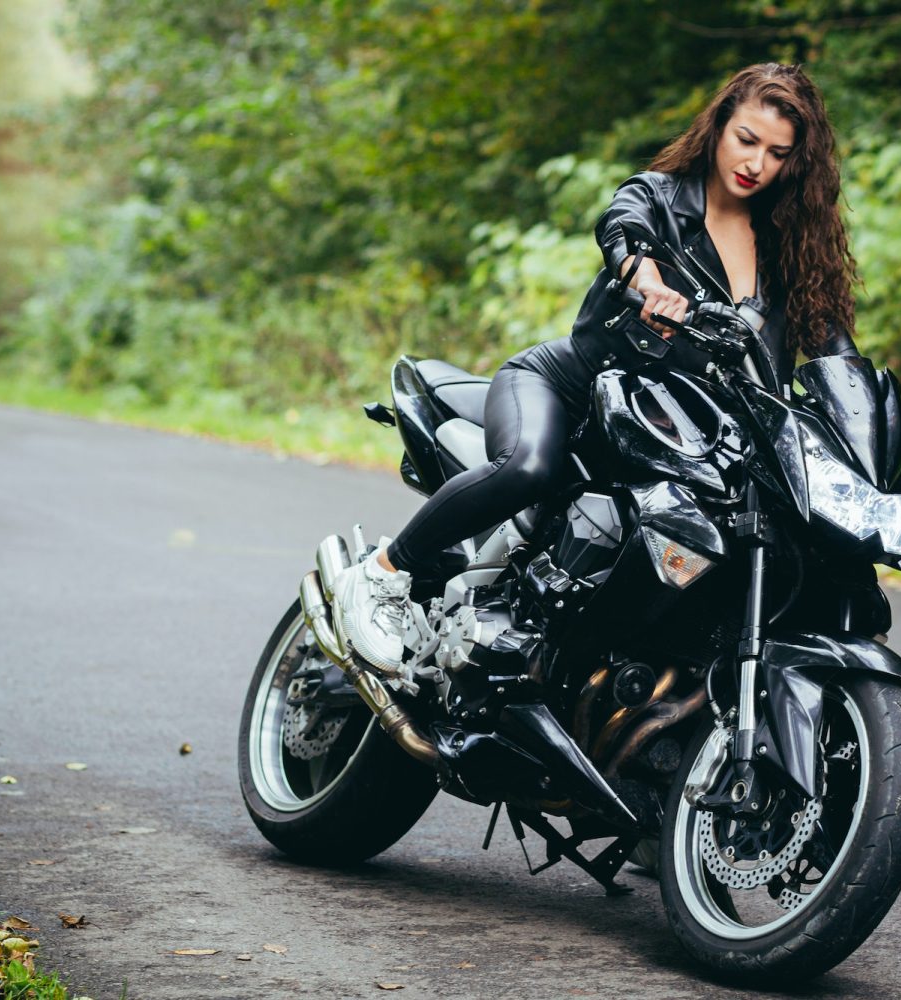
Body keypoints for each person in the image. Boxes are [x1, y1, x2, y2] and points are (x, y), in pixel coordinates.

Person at [332, 63, 860, 675]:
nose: (756, 163)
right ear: (719, 128)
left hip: (677, 436)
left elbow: (835, 354)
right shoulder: (659, 197)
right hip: (571, 385)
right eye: (747, 139)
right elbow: (622, 231)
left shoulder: (787, 249)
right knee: (529, 464)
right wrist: (647, 278)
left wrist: (874, 424)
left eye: (778, 153)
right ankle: (382, 573)